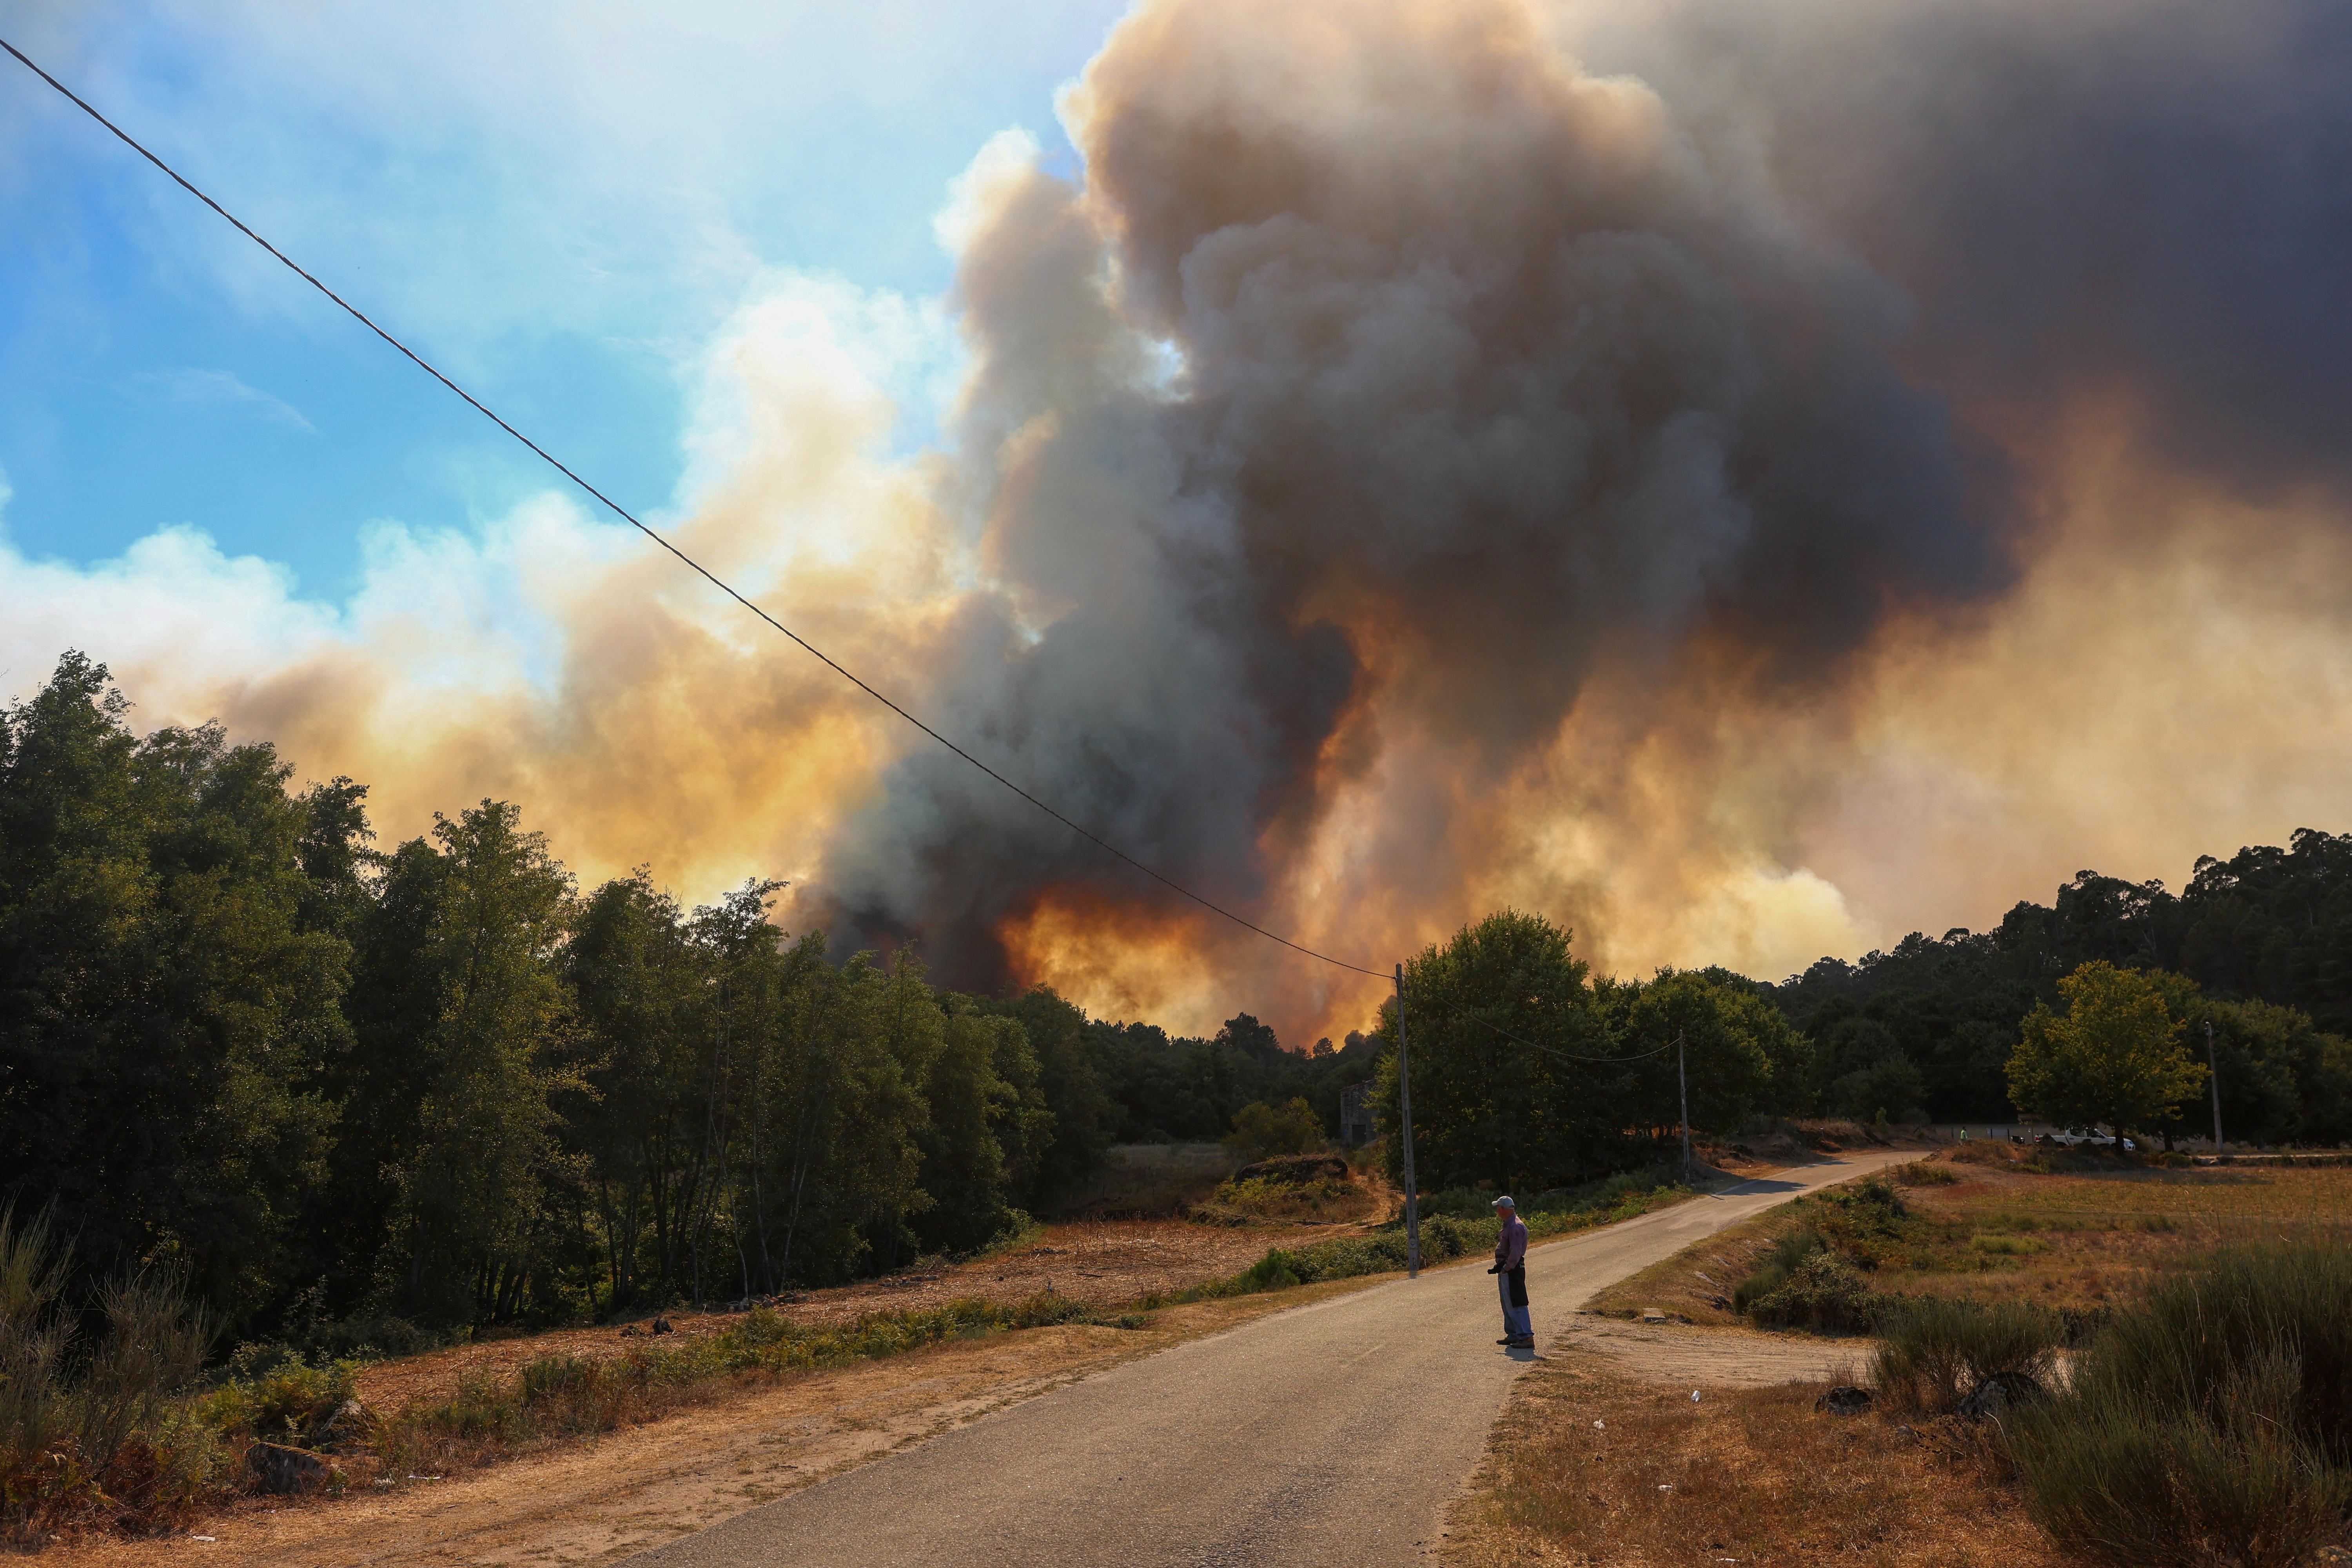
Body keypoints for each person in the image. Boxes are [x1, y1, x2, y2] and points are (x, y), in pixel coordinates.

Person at [1487, 1195, 1532, 1348]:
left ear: (1503, 1209)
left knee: (1517, 1303)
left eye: (1498, 1208)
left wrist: (1506, 1268)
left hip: (1512, 1270)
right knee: (1508, 1304)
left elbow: (1516, 1253)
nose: (1497, 1211)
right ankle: (1514, 1334)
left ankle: (1526, 1337)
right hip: (1507, 1269)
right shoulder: (1509, 1225)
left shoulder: (1515, 1227)